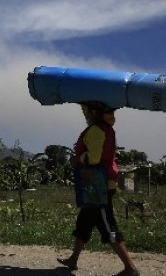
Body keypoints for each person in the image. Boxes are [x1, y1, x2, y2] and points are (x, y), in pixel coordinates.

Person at [57, 102, 139, 276]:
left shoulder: (96, 130)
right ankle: (73, 259)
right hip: (97, 184)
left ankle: (130, 268)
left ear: (94, 113)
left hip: (98, 187)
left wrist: (78, 159)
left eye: (87, 111)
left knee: (108, 226)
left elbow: (94, 158)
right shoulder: (107, 129)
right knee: (84, 222)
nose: (85, 114)